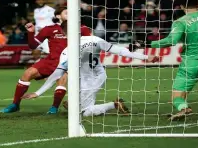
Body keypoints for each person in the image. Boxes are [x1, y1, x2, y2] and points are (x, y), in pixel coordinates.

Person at [23, 31, 160, 115]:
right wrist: (146, 57)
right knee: (82, 109)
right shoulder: (96, 40)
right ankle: (76, 103)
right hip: (95, 76)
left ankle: (113, 105)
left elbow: (56, 75)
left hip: (90, 80)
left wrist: (38, 93)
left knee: (84, 112)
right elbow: (121, 51)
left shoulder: (67, 51)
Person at [0, 7, 70, 113]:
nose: (70, 14)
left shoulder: (79, 29)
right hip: (50, 61)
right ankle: (15, 104)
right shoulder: (49, 29)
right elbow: (33, 46)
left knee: (62, 80)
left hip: (67, 62)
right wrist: (31, 33)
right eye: (66, 13)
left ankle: (54, 108)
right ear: (58, 16)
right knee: (27, 73)